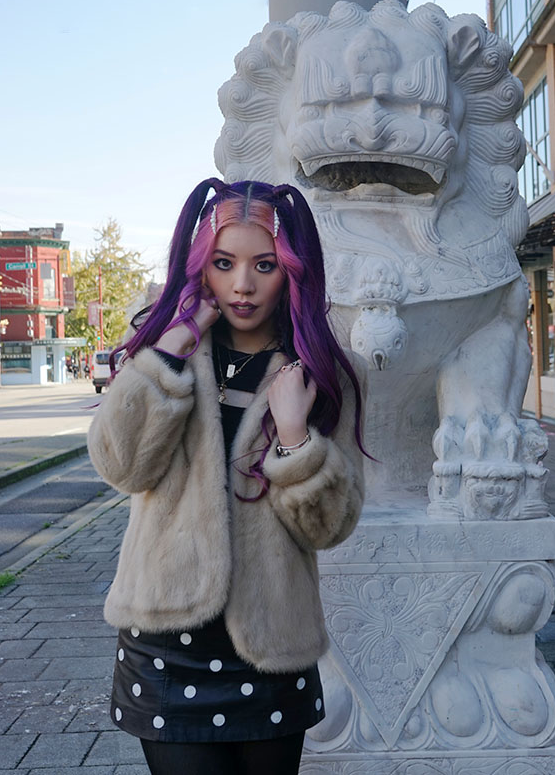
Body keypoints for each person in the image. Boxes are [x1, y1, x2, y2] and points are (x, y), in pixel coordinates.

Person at [87, 179, 368, 775]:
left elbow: (330, 527)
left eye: (264, 265)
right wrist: (168, 353)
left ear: (291, 269)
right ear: (203, 268)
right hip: (164, 639)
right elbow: (120, 464)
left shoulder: (314, 374)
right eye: (224, 263)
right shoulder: (169, 354)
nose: (242, 285)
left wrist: (294, 437)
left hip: (270, 646)